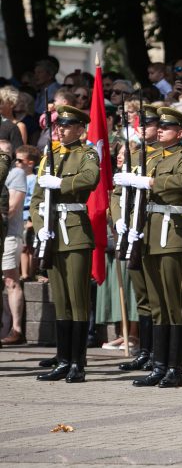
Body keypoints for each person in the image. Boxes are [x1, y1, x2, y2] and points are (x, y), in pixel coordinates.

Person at [116, 107, 182, 389]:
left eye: (167, 127)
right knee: (158, 305)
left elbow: (181, 183)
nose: (159, 129)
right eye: (158, 126)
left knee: (173, 305)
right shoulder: (149, 157)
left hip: (171, 234)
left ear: (181, 132)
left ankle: (175, 369)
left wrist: (148, 182)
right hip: (148, 234)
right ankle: (159, 366)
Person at [33, 106, 99, 383]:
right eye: (59, 125)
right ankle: (62, 360)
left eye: (67, 125)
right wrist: (40, 230)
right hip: (52, 233)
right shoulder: (51, 155)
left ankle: (78, 363)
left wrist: (60, 182)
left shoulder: (87, 154)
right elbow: (37, 198)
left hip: (75, 232)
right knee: (61, 301)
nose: (60, 129)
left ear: (80, 129)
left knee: (78, 300)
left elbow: (91, 178)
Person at [116, 104, 160, 373]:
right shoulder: (133, 155)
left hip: (153, 228)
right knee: (142, 294)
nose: (144, 128)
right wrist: (118, 217)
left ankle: (158, 351)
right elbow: (116, 191)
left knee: (157, 295)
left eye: (150, 124)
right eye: (140, 124)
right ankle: (145, 350)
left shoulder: (163, 157)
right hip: (132, 230)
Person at [1, 140, 27, 346]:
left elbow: (12, 208)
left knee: (11, 279)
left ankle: (16, 329)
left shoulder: (16, 174)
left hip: (10, 234)